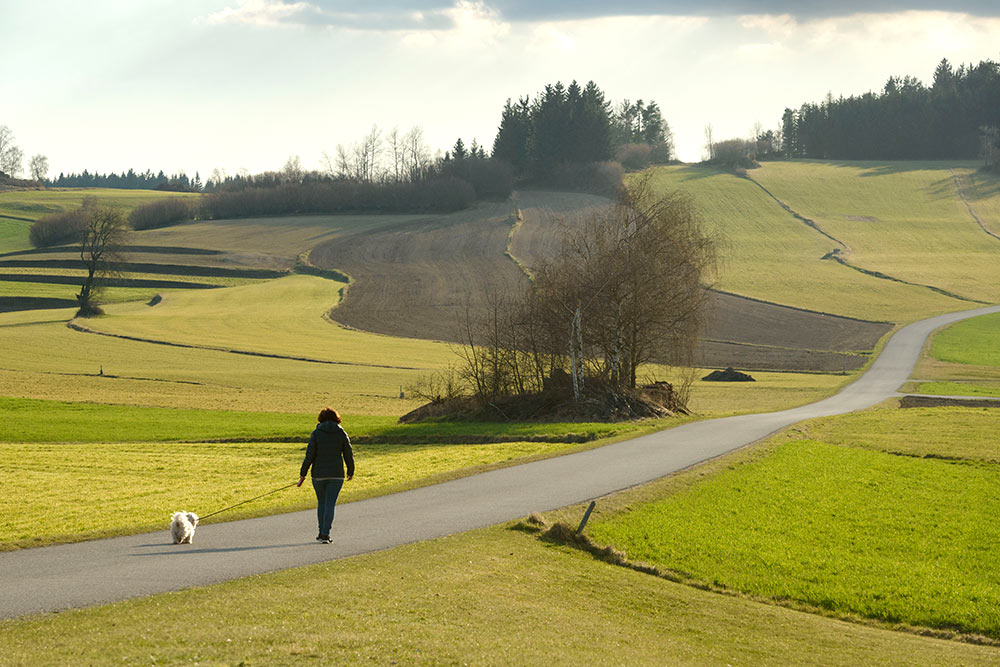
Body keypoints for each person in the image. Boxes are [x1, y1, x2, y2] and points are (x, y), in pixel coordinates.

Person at [298, 407, 354, 544]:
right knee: (330, 504)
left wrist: (303, 474)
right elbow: (348, 453)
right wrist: (350, 470)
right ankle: (325, 534)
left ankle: (321, 532)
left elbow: (309, 455)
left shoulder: (316, 433)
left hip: (319, 474)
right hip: (336, 474)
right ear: (336, 418)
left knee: (322, 503)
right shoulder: (341, 433)